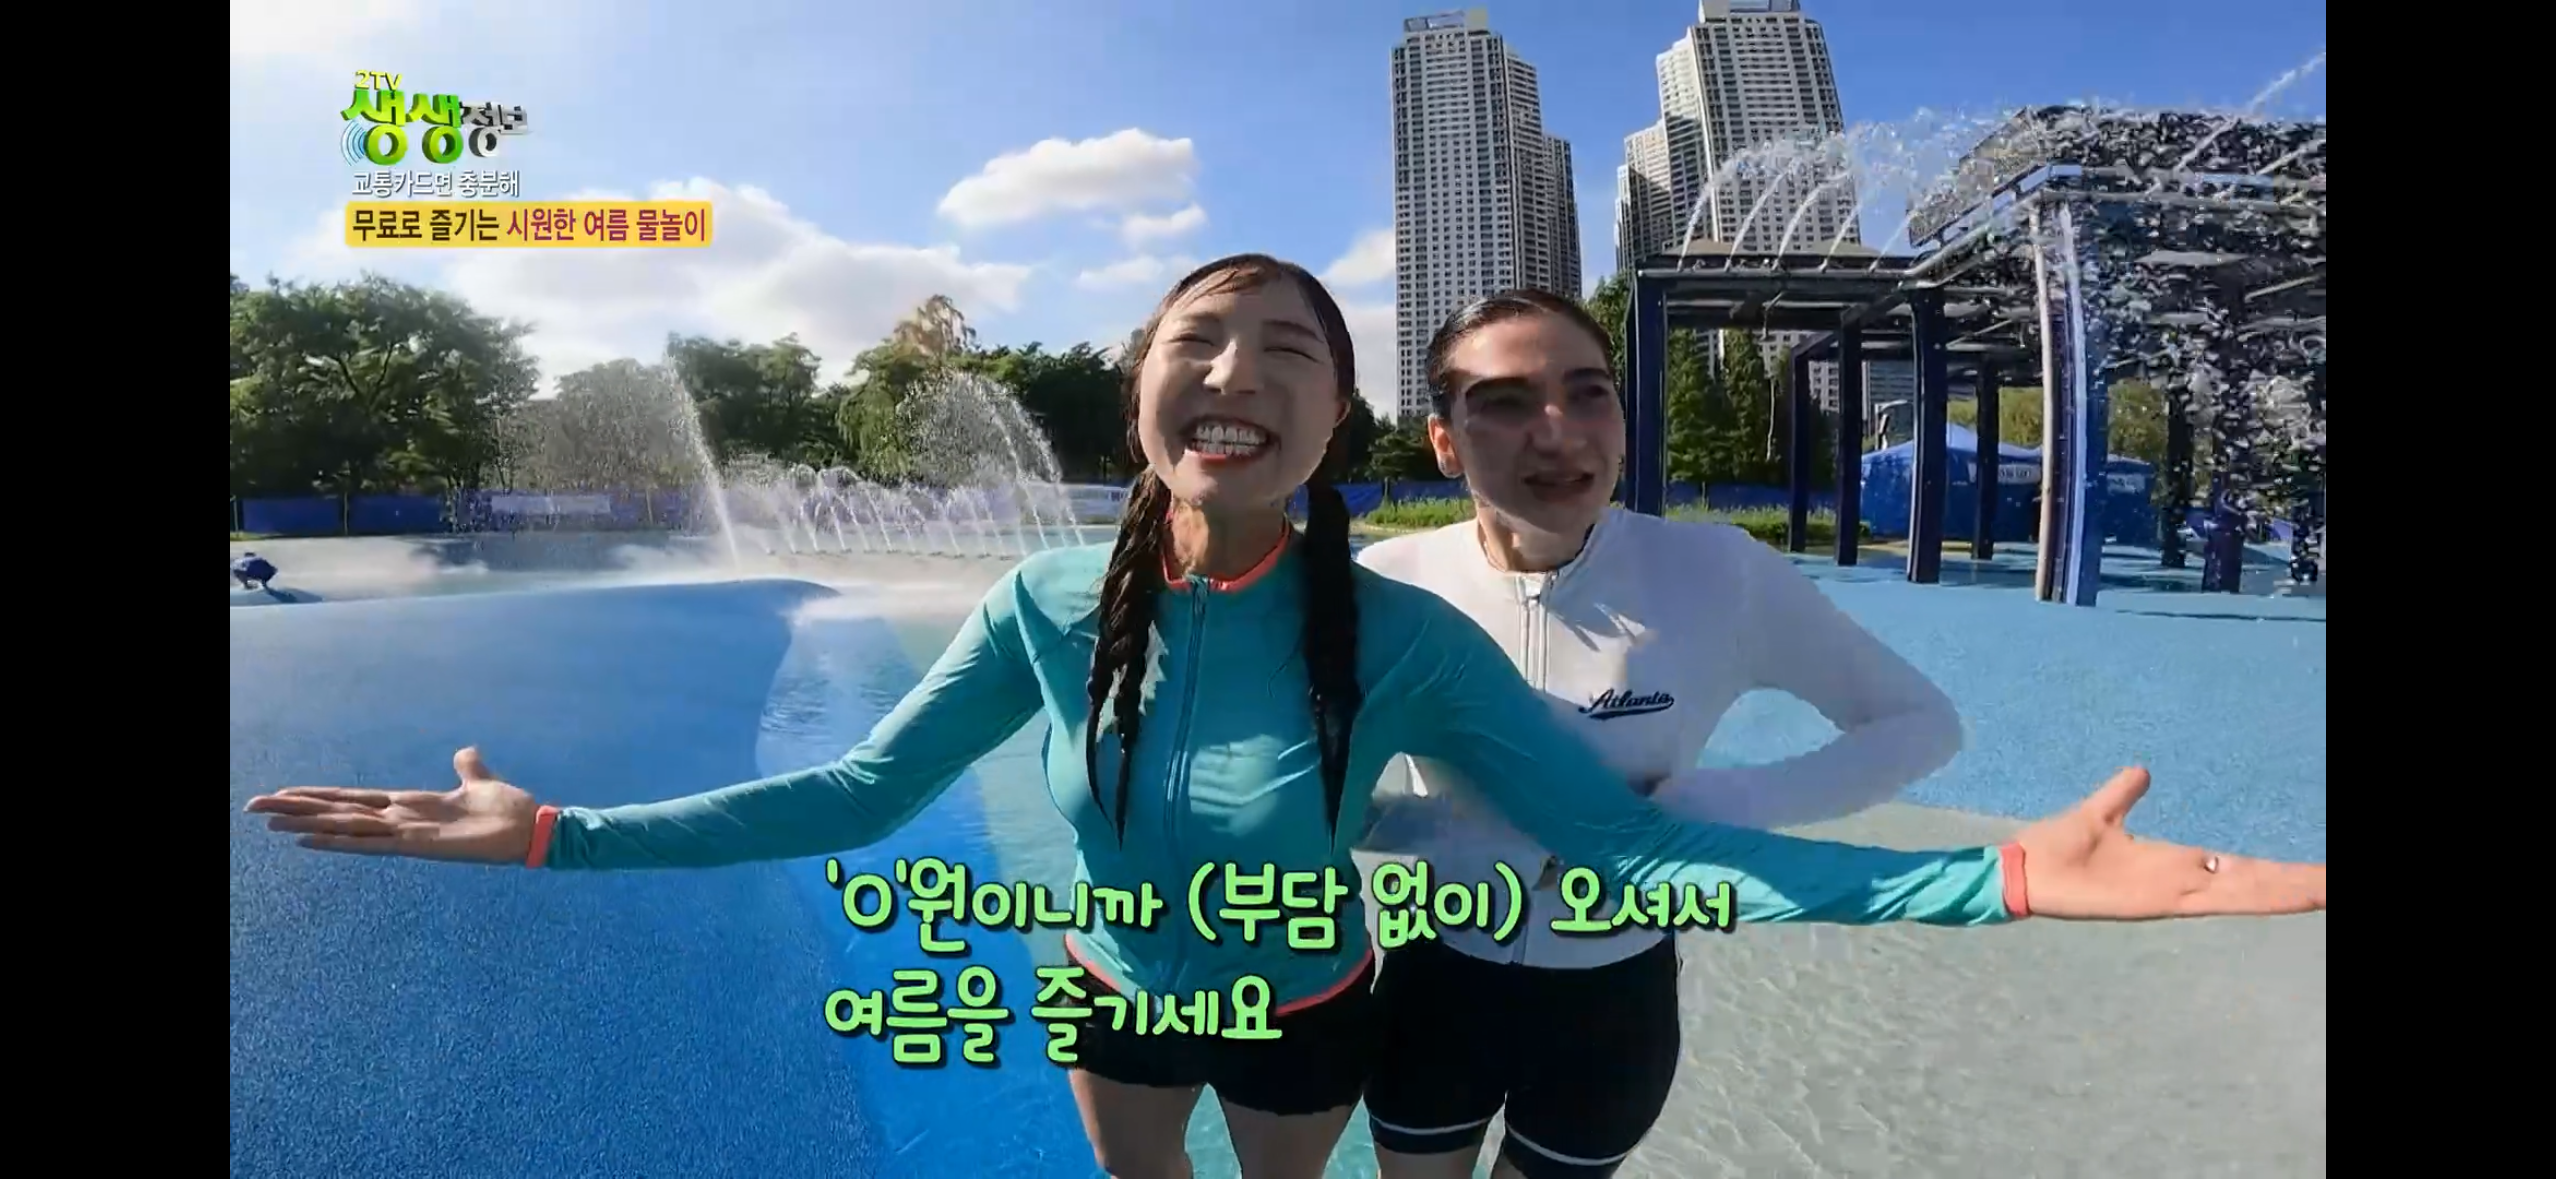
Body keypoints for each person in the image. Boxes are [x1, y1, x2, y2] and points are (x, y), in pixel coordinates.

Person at [243, 254, 2326, 1179]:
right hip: (1108, 991)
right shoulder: (1045, 601)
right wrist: (555, 832)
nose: (1233, 371)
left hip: (1317, 1004)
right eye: (1197, 338)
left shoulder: (1396, 630)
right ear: (1142, 388)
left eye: (1286, 350)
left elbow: (1629, 845)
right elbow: (862, 789)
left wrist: (1988, 881)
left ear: (1339, 428)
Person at [1355, 289, 1964, 1179]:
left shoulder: (1717, 572)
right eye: (1507, 402)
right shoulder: (1389, 580)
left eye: (1588, 393)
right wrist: (1428, 829)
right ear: (1444, 441)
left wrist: (1714, 804)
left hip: (1611, 1007)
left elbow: (1921, 723)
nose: (1558, 433)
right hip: (1432, 981)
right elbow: (1306, 773)